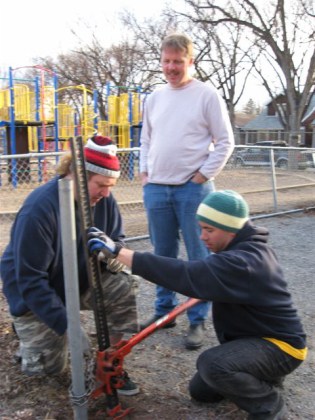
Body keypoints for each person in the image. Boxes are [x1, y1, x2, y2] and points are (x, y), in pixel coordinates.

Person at [87, 190, 307, 419]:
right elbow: (201, 276)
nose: (202, 237)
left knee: (213, 365)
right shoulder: (242, 249)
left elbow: (186, 274)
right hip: (253, 339)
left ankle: (270, 405)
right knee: (201, 391)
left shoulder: (244, 262)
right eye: (201, 228)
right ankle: (263, 376)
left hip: (281, 347)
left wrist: (119, 252)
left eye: (209, 230)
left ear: (231, 228)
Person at [0, 135, 139, 396]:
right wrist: (69, 327)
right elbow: (30, 281)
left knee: (125, 285)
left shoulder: (105, 200)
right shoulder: (39, 210)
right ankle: (29, 341)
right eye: (101, 185)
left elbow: (118, 240)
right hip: (36, 296)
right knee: (49, 370)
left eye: (111, 185)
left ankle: (110, 364)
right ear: (76, 174)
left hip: (79, 280)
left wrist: (110, 253)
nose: (107, 193)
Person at [139, 32, 234, 349]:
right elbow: (146, 139)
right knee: (162, 256)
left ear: (190, 61)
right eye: (166, 61)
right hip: (157, 189)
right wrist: (144, 173)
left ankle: (197, 320)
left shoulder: (206, 95)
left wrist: (202, 176)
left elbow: (225, 142)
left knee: (199, 258)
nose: (171, 67)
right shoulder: (154, 97)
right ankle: (163, 313)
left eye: (177, 62)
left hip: (192, 191)